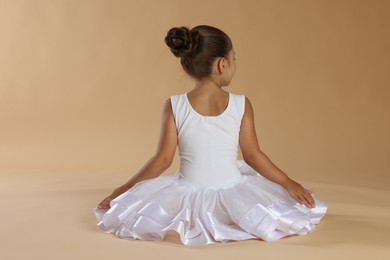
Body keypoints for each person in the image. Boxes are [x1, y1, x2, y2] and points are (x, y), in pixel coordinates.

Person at [93, 25, 328, 246]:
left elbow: (162, 160)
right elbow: (253, 156)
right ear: (222, 64)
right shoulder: (241, 104)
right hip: (233, 189)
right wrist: (288, 183)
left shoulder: (174, 105)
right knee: (278, 213)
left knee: (139, 212)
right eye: (234, 59)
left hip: (187, 190)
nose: (235, 64)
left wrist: (123, 190)